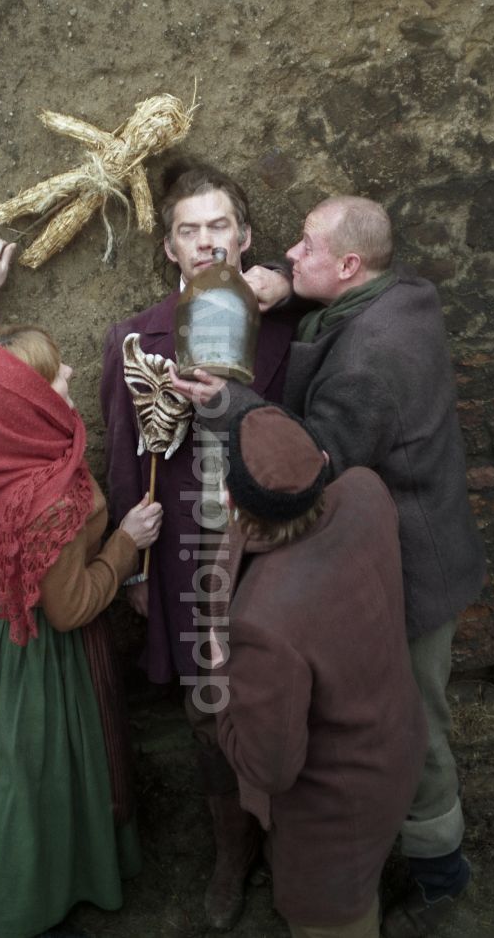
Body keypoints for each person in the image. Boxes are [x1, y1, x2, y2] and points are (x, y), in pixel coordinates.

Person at [171, 196, 488, 938]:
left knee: (415, 719)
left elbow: (305, 465)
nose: (290, 253)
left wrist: (229, 403)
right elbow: (324, 263)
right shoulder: (402, 293)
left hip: (408, 567)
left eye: (305, 249)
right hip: (395, 545)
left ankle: (441, 869)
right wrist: (285, 277)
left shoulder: (372, 364)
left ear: (348, 267)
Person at [0, 239, 163, 938]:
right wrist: (127, 542)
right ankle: (33, 900)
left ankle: (16, 886)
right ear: (27, 404)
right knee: (43, 770)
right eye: (53, 379)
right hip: (41, 651)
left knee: (9, 761)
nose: (67, 373)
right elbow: (68, 608)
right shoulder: (50, 495)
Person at [99, 164, 294, 929]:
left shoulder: (290, 328)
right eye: (190, 229)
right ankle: (229, 854)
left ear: (245, 240)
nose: (206, 240)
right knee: (206, 709)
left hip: (276, 551)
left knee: (279, 696)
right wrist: (136, 569)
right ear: (170, 247)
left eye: (220, 227)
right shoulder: (134, 339)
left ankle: (287, 843)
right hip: (184, 556)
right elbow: (123, 459)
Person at [212, 403, 427, 938]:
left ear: (230, 500)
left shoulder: (265, 623)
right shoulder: (365, 491)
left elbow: (270, 768)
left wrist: (221, 679)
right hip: (397, 747)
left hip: (335, 821)